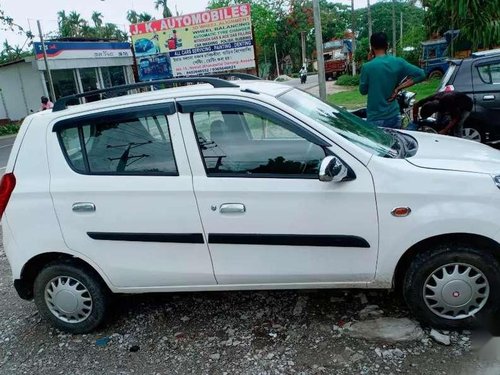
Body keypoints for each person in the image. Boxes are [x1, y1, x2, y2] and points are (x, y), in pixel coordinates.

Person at [359, 32, 425, 128]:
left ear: (372, 47)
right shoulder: (398, 62)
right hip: (394, 115)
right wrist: (398, 88)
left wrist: (370, 62)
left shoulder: (367, 67)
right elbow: (421, 74)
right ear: (387, 45)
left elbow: (363, 91)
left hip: (375, 118)